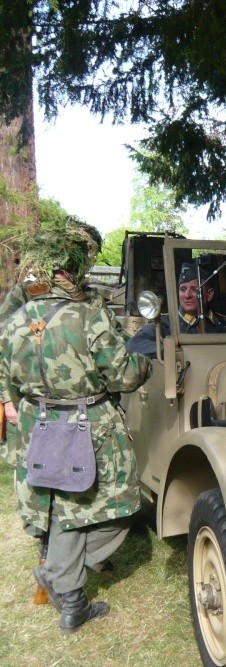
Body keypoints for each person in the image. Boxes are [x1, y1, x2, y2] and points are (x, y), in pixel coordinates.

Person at [0, 220, 152, 633]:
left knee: (60, 506)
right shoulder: (88, 316)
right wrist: (145, 361)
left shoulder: (15, 319)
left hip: (38, 423)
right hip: (90, 425)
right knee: (120, 507)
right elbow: (124, 376)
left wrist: (18, 404)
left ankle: (68, 596)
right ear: (73, 269)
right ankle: (63, 581)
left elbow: (6, 376)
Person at [126, 260, 226, 357]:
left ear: (209, 294)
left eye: (195, 289)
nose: (187, 295)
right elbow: (134, 344)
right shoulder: (165, 324)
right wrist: (174, 352)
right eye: (182, 289)